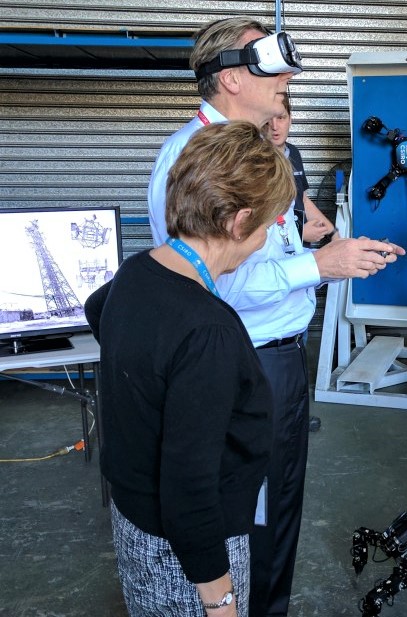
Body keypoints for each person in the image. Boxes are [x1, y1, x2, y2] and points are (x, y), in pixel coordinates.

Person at [146, 17, 404, 617]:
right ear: (232, 78)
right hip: (245, 363)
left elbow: (274, 246)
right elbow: (214, 285)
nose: (287, 80)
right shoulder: (192, 161)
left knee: (279, 509)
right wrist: (321, 266)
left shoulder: (254, 154)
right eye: (273, 70)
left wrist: (325, 250)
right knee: (247, 521)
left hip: (280, 361)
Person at [86, 120, 296, 617]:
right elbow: (190, 490)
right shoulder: (209, 331)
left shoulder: (139, 271)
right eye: (267, 225)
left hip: (134, 520)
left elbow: (99, 311)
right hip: (189, 559)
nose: (266, 239)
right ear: (239, 222)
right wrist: (219, 599)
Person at [265, 94, 337, 245]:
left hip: (300, 250)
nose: (274, 126)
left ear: (290, 119)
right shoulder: (254, 161)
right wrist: (299, 232)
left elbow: (302, 199)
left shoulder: (294, 152)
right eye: (267, 119)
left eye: (281, 118)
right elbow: (256, 218)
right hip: (277, 254)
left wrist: (334, 234)